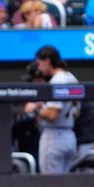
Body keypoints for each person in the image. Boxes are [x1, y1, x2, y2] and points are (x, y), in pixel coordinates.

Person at [24, 45, 79, 174]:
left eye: (39, 63)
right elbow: (77, 112)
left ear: (47, 61)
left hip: (54, 136)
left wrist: (34, 109)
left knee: (51, 185)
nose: (39, 67)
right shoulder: (71, 77)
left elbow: (53, 114)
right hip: (70, 136)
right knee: (65, 185)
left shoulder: (57, 80)